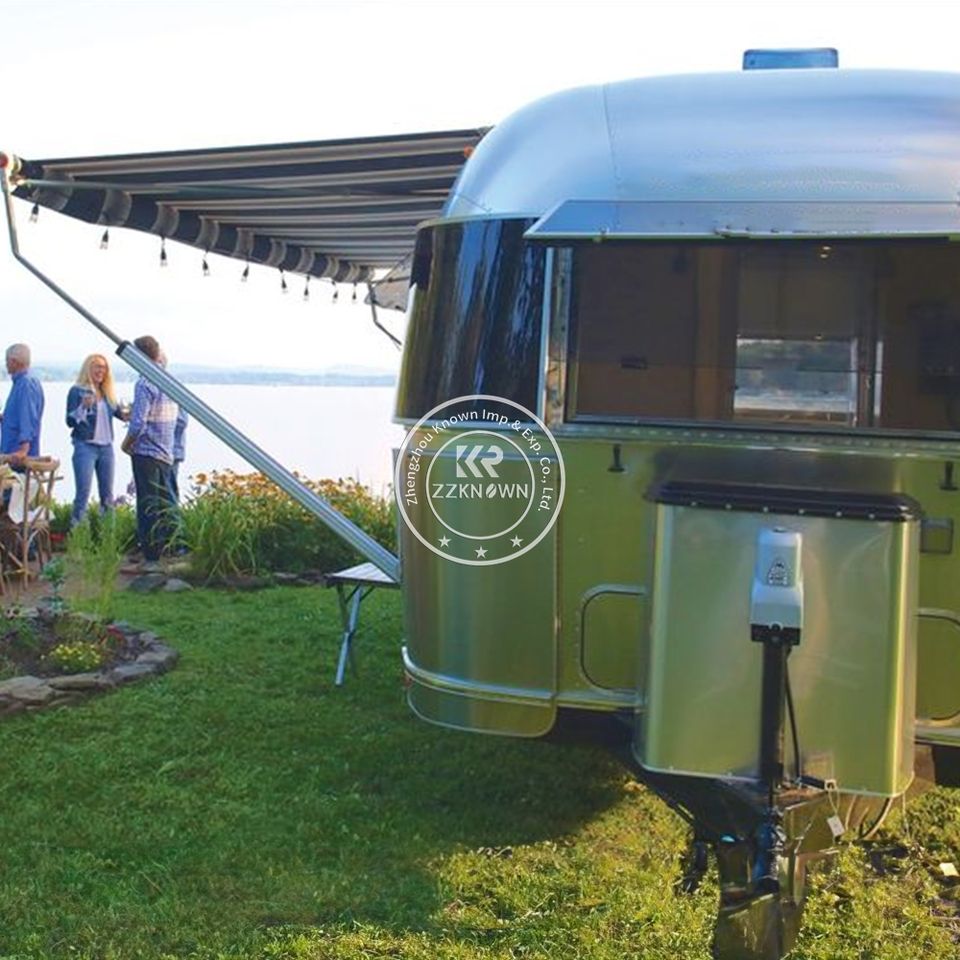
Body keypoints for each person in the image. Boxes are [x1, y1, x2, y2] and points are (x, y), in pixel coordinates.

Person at [123, 335, 179, 567]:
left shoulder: (144, 383)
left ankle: (151, 556)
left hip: (146, 452)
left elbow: (138, 424)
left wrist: (126, 444)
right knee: (166, 502)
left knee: (147, 505)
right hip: (166, 450)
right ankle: (171, 548)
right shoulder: (168, 380)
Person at [66, 354, 128, 525]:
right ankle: (78, 532)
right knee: (83, 493)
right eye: (97, 367)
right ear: (88, 368)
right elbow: (70, 421)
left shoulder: (107, 393)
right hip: (85, 446)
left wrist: (129, 414)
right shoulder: (77, 391)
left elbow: (121, 414)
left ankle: (108, 534)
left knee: (107, 495)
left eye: (104, 367)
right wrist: (83, 407)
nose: (101, 371)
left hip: (106, 448)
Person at [0, 343, 45, 468]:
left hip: (17, 454)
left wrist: (23, 449)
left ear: (14, 361)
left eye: (7, 361)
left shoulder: (26, 384)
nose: (6, 364)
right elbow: (19, 415)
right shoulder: (23, 382)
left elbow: (28, 417)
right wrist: (4, 418)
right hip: (10, 448)